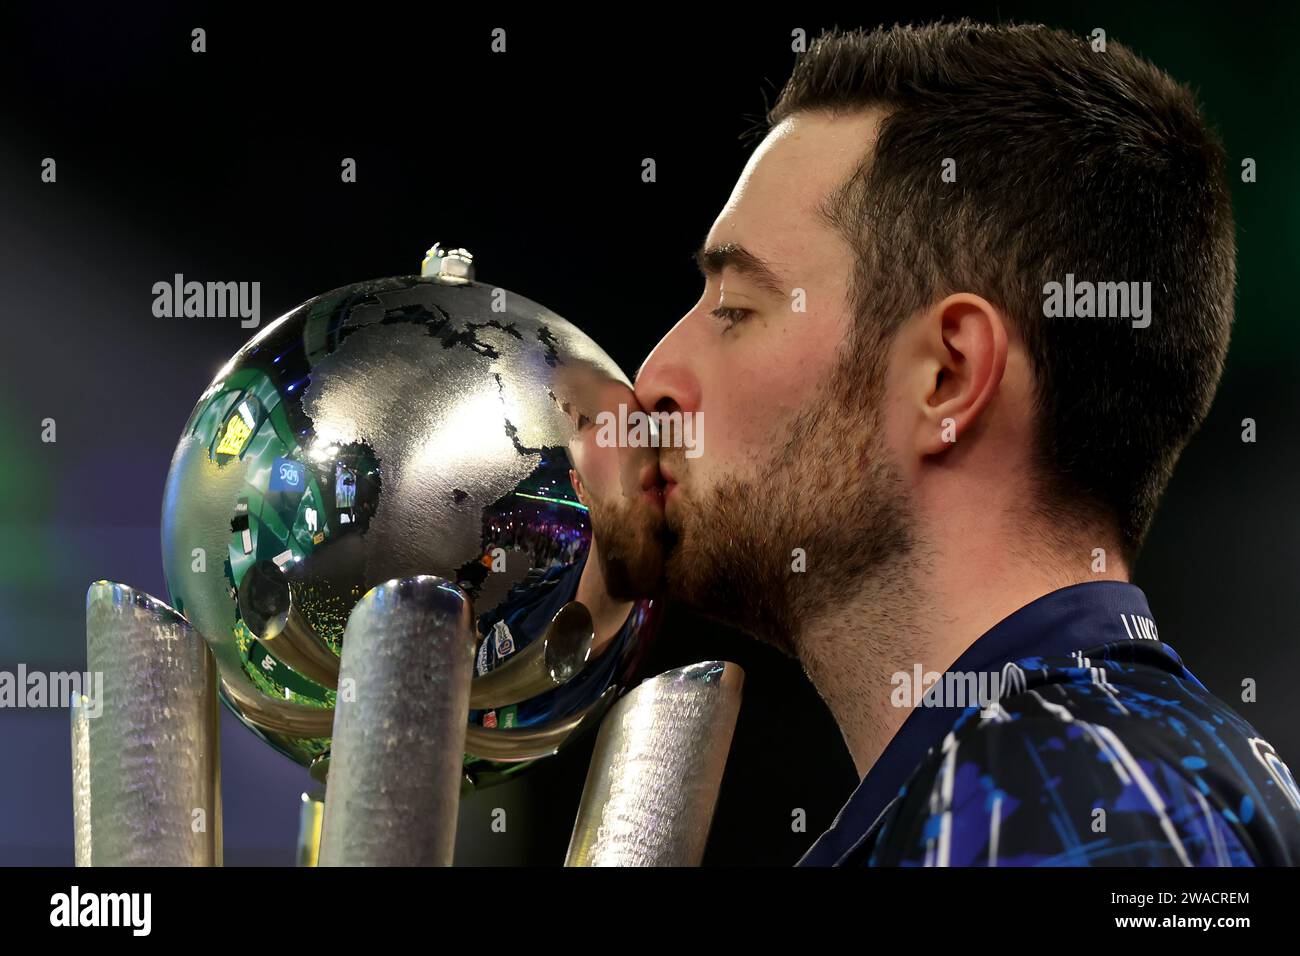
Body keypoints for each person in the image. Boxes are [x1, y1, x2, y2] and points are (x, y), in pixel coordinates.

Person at [633, 21, 1300, 865]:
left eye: (735, 308)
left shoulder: (1051, 796)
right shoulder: (1109, 773)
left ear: (947, 376)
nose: (655, 375)